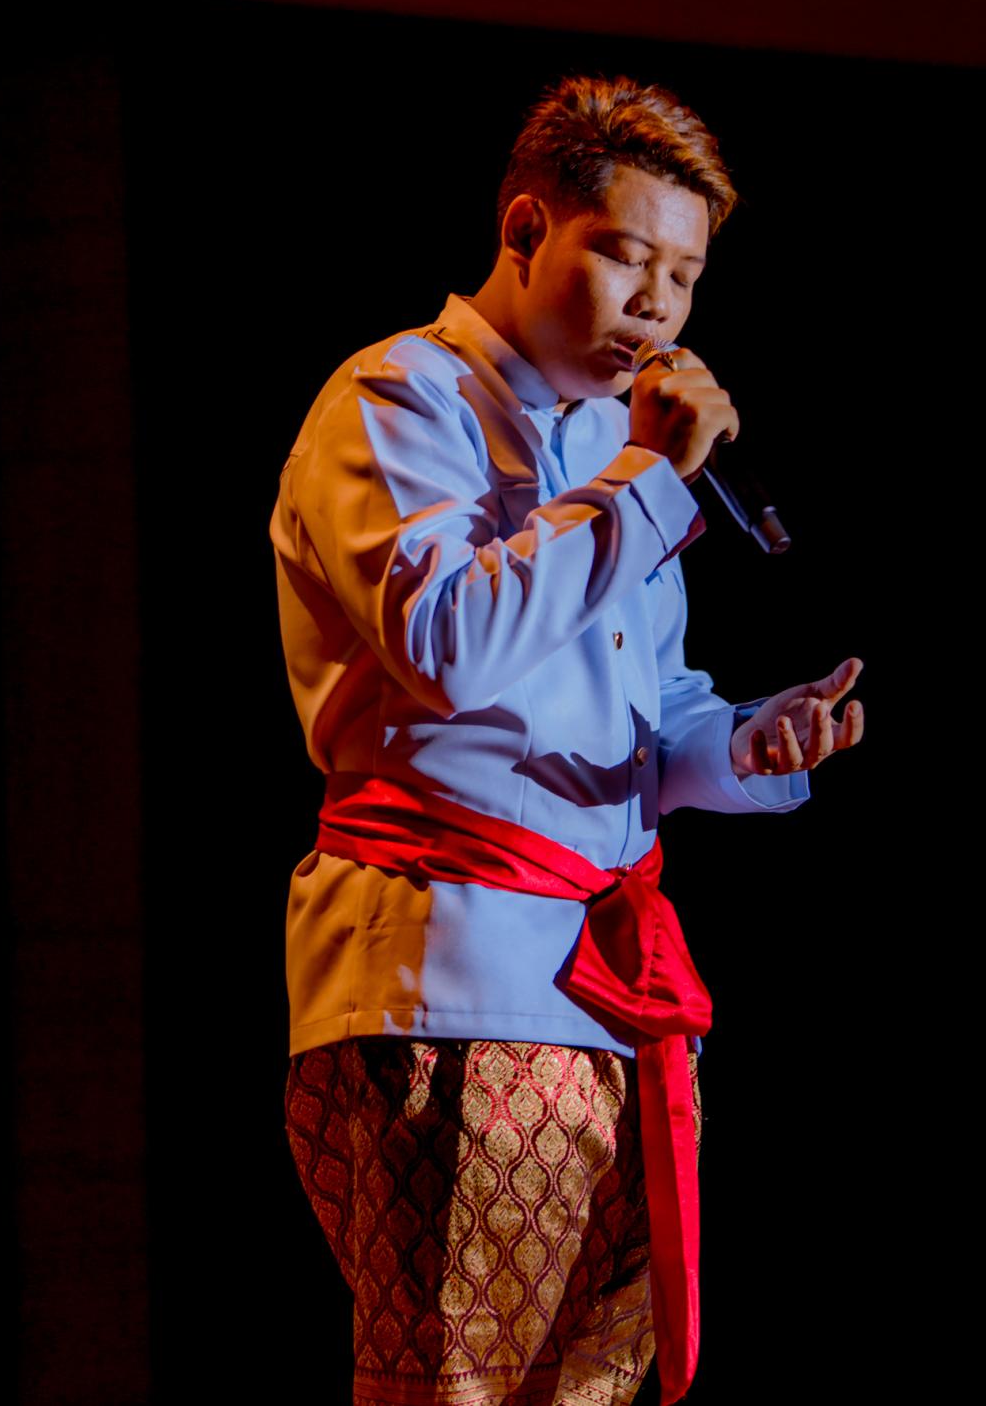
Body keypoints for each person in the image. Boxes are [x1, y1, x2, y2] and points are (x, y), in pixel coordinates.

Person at [270, 73, 864, 1406]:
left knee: (592, 1388)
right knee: (458, 1387)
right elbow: (447, 645)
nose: (658, 305)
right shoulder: (398, 399)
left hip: (612, 994)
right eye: (627, 257)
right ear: (528, 229)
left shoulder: (615, 445)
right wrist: (644, 481)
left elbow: (647, 711)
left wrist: (748, 746)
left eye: (686, 277)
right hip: (454, 977)